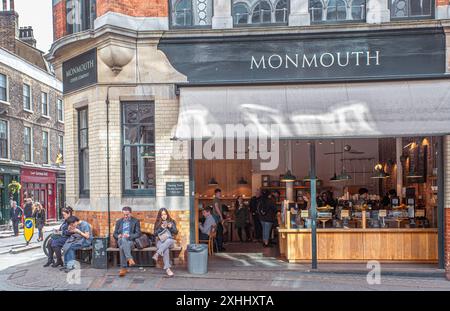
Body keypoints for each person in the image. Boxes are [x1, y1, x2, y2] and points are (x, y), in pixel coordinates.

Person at [113, 206, 141, 277]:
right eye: (124, 214)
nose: (125, 216)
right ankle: (130, 259)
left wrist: (129, 236)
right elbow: (114, 234)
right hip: (120, 240)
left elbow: (138, 234)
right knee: (122, 239)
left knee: (122, 247)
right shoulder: (119, 221)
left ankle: (123, 268)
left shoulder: (135, 221)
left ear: (130, 213)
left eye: (127, 214)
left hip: (130, 241)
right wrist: (118, 236)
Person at [153, 208, 178, 277]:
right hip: (160, 242)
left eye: (165, 214)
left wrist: (171, 227)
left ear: (167, 214)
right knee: (165, 250)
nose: (164, 216)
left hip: (169, 242)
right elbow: (154, 234)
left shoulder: (172, 221)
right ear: (160, 216)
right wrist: (161, 228)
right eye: (162, 215)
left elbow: (176, 232)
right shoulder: (158, 222)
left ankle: (157, 253)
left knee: (169, 240)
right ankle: (168, 269)